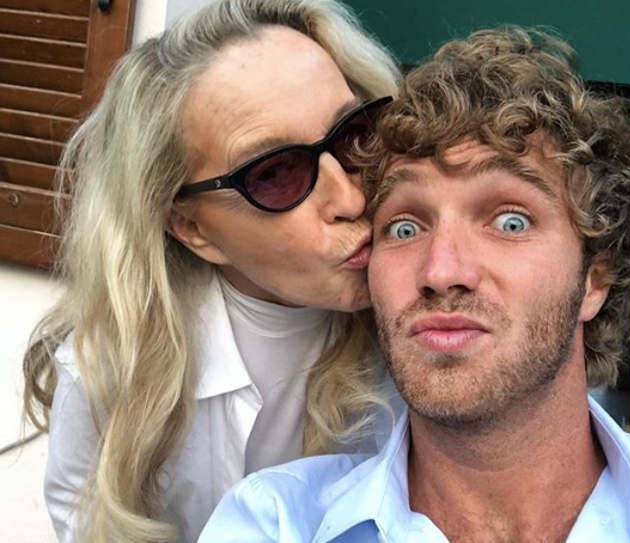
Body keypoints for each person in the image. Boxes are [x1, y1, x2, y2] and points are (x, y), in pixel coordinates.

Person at [200, 26, 630, 542]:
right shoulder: (274, 523)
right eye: (405, 228)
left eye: (510, 222)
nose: (441, 271)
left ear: (594, 279)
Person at [22, 1, 400, 541]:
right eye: (276, 173)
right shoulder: (112, 368)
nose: (350, 196)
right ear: (191, 227)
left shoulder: (431, 328)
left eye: (356, 134)